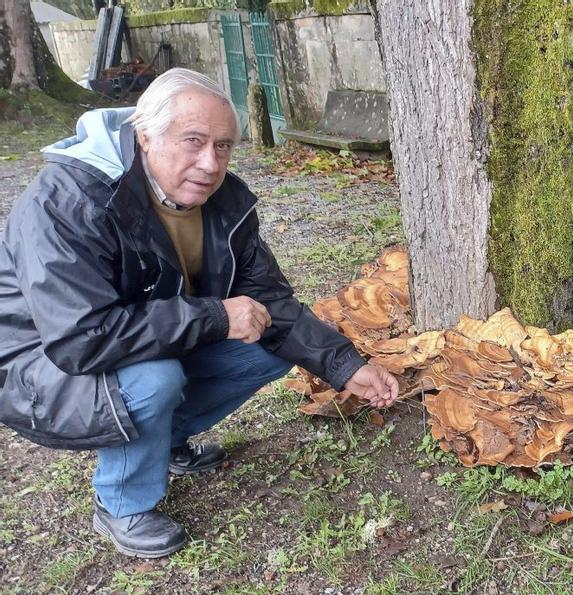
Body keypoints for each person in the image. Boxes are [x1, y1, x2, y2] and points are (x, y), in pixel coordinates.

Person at [0, 68, 400, 558]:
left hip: (137, 341)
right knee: (155, 379)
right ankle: (121, 502)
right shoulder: (69, 199)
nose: (210, 163)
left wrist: (344, 365)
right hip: (39, 366)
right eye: (193, 141)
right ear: (145, 135)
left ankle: (161, 439)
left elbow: (268, 301)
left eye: (224, 146)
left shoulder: (223, 198)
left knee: (268, 342)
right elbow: (80, 338)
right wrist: (214, 317)